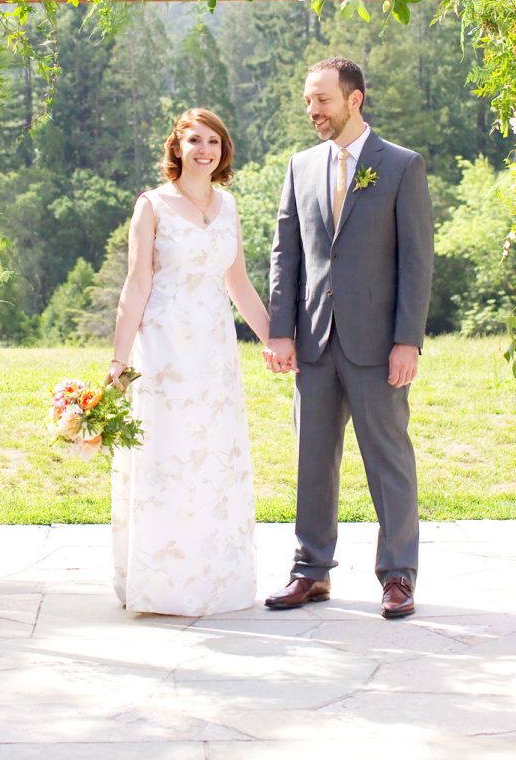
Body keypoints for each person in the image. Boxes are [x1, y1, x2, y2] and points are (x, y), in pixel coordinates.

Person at [264, 57, 433, 618]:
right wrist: (280, 331)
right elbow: (286, 253)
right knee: (313, 459)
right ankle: (310, 571)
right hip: (312, 341)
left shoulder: (401, 166)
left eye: (323, 100)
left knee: (388, 459)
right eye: (309, 100)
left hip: (378, 343)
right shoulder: (301, 165)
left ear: (355, 99)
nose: (313, 110)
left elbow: (417, 261)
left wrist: (407, 339)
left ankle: (398, 576)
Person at [110, 107, 269, 615]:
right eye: (194, 140)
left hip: (214, 350)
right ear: (176, 147)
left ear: (223, 151)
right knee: (166, 453)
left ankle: (214, 578)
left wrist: (275, 340)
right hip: (162, 347)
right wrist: (118, 359)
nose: (204, 149)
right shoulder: (151, 205)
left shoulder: (229, 206)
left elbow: (238, 283)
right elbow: (137, 283)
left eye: (214, 142)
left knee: (213, 457)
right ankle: (161, 583)